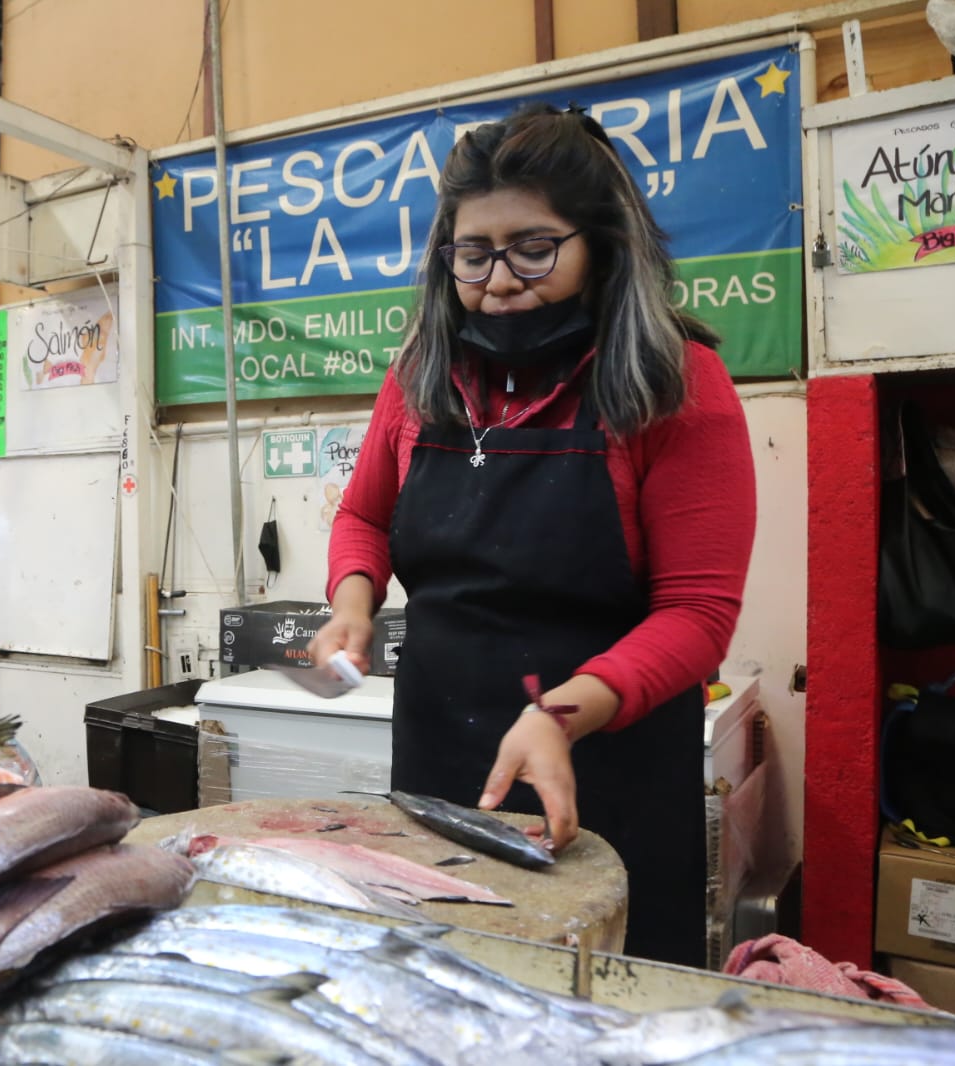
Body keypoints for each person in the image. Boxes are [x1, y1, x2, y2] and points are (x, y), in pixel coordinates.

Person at [307, 104, 756, 968]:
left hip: (602, 770)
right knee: (448, 983)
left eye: (532, 248)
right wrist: (353, 600)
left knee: (593, 999)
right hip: (438, 750)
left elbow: (698, 614)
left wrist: (558, 715)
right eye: (472, 254)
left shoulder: (675, 385)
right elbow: (363, 515)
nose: (499, 280)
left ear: (600, 245)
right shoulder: (420, 376)